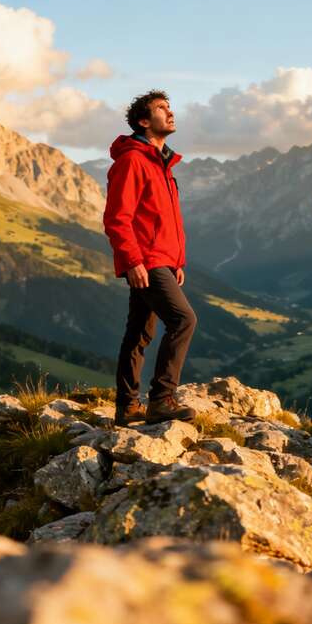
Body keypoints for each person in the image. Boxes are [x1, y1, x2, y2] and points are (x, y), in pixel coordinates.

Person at [102, 90, 199, 426]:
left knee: (139, 334)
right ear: (144, 121)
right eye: (161, 109)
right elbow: (117, 218)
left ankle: (127, 407)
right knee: (183, 320)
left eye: (170, 107)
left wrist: (178, 261)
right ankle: (162, 400)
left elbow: (166, 219)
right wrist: (132, 261)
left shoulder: (162, 164)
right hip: (146, 261)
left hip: (162, 261)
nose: (170, 113)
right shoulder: (132, 161)